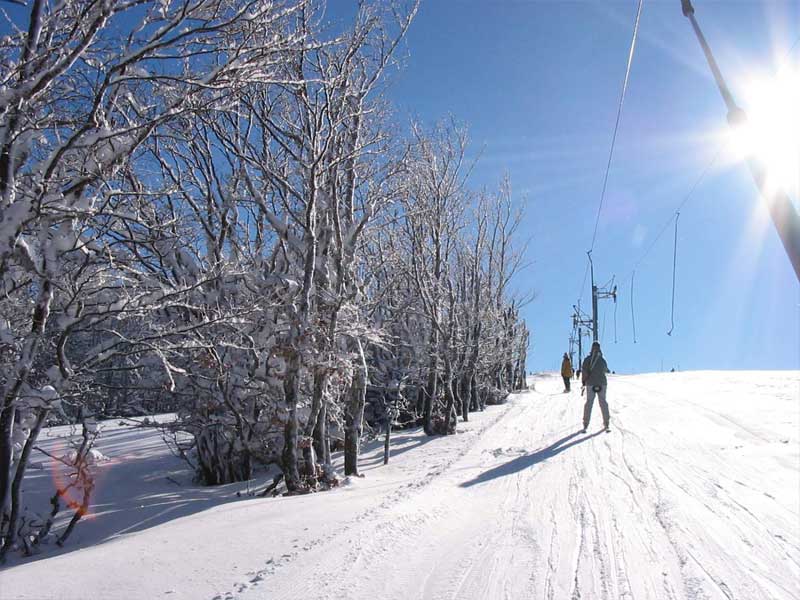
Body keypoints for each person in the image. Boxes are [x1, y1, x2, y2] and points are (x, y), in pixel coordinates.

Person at [581, 341, 610, 432]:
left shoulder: (587, 359)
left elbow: (584, 371)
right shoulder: (602, 360)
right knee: (603, 403)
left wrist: (583, 382)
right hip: (602, 383)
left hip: (590, 383)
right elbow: (605, 369)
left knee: (589, 403)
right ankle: (606, 423)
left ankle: (585, 424)